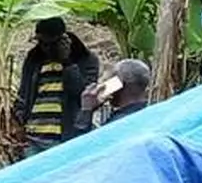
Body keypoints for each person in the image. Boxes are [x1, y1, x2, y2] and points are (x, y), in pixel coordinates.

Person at [14, 17, 100, 157]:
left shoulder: (86, 60)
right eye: (41, 43)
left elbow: (83, 96)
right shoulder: (34, 58)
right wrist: (19, 119)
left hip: (65, 139)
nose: (44, 48)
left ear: (63, 39)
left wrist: (67, 62)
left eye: (49, 44)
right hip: (33, 140)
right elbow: (23, 94)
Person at [76, 58, 150, 132]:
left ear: (118, 83)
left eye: (109, 79)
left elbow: (81, 141)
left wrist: (86, 110)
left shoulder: (116, 124)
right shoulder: (152, 110)